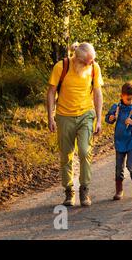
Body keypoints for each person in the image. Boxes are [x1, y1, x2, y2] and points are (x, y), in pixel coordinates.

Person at [47, 42, 104, 207]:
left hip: (86, 115)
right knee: (66, 155)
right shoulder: (62, 66)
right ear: (77, 59)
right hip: (64, 116)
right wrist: (50, 117)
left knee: (85, 151)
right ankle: (69, 190)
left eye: (92, 61)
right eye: (87, 62)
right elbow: (51, 92)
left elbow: (98, 93)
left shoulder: (94, 68)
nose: (90, 64)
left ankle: (84, 189)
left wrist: (99, 119)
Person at [105, 81, 132, 200]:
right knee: (119, 167)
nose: (131, 101)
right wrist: (110, 118)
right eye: (128, 99)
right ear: (121, 96)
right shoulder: (116, 108)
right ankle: (119, 190)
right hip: (119, 142)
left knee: (130, 165)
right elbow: (107, 118)